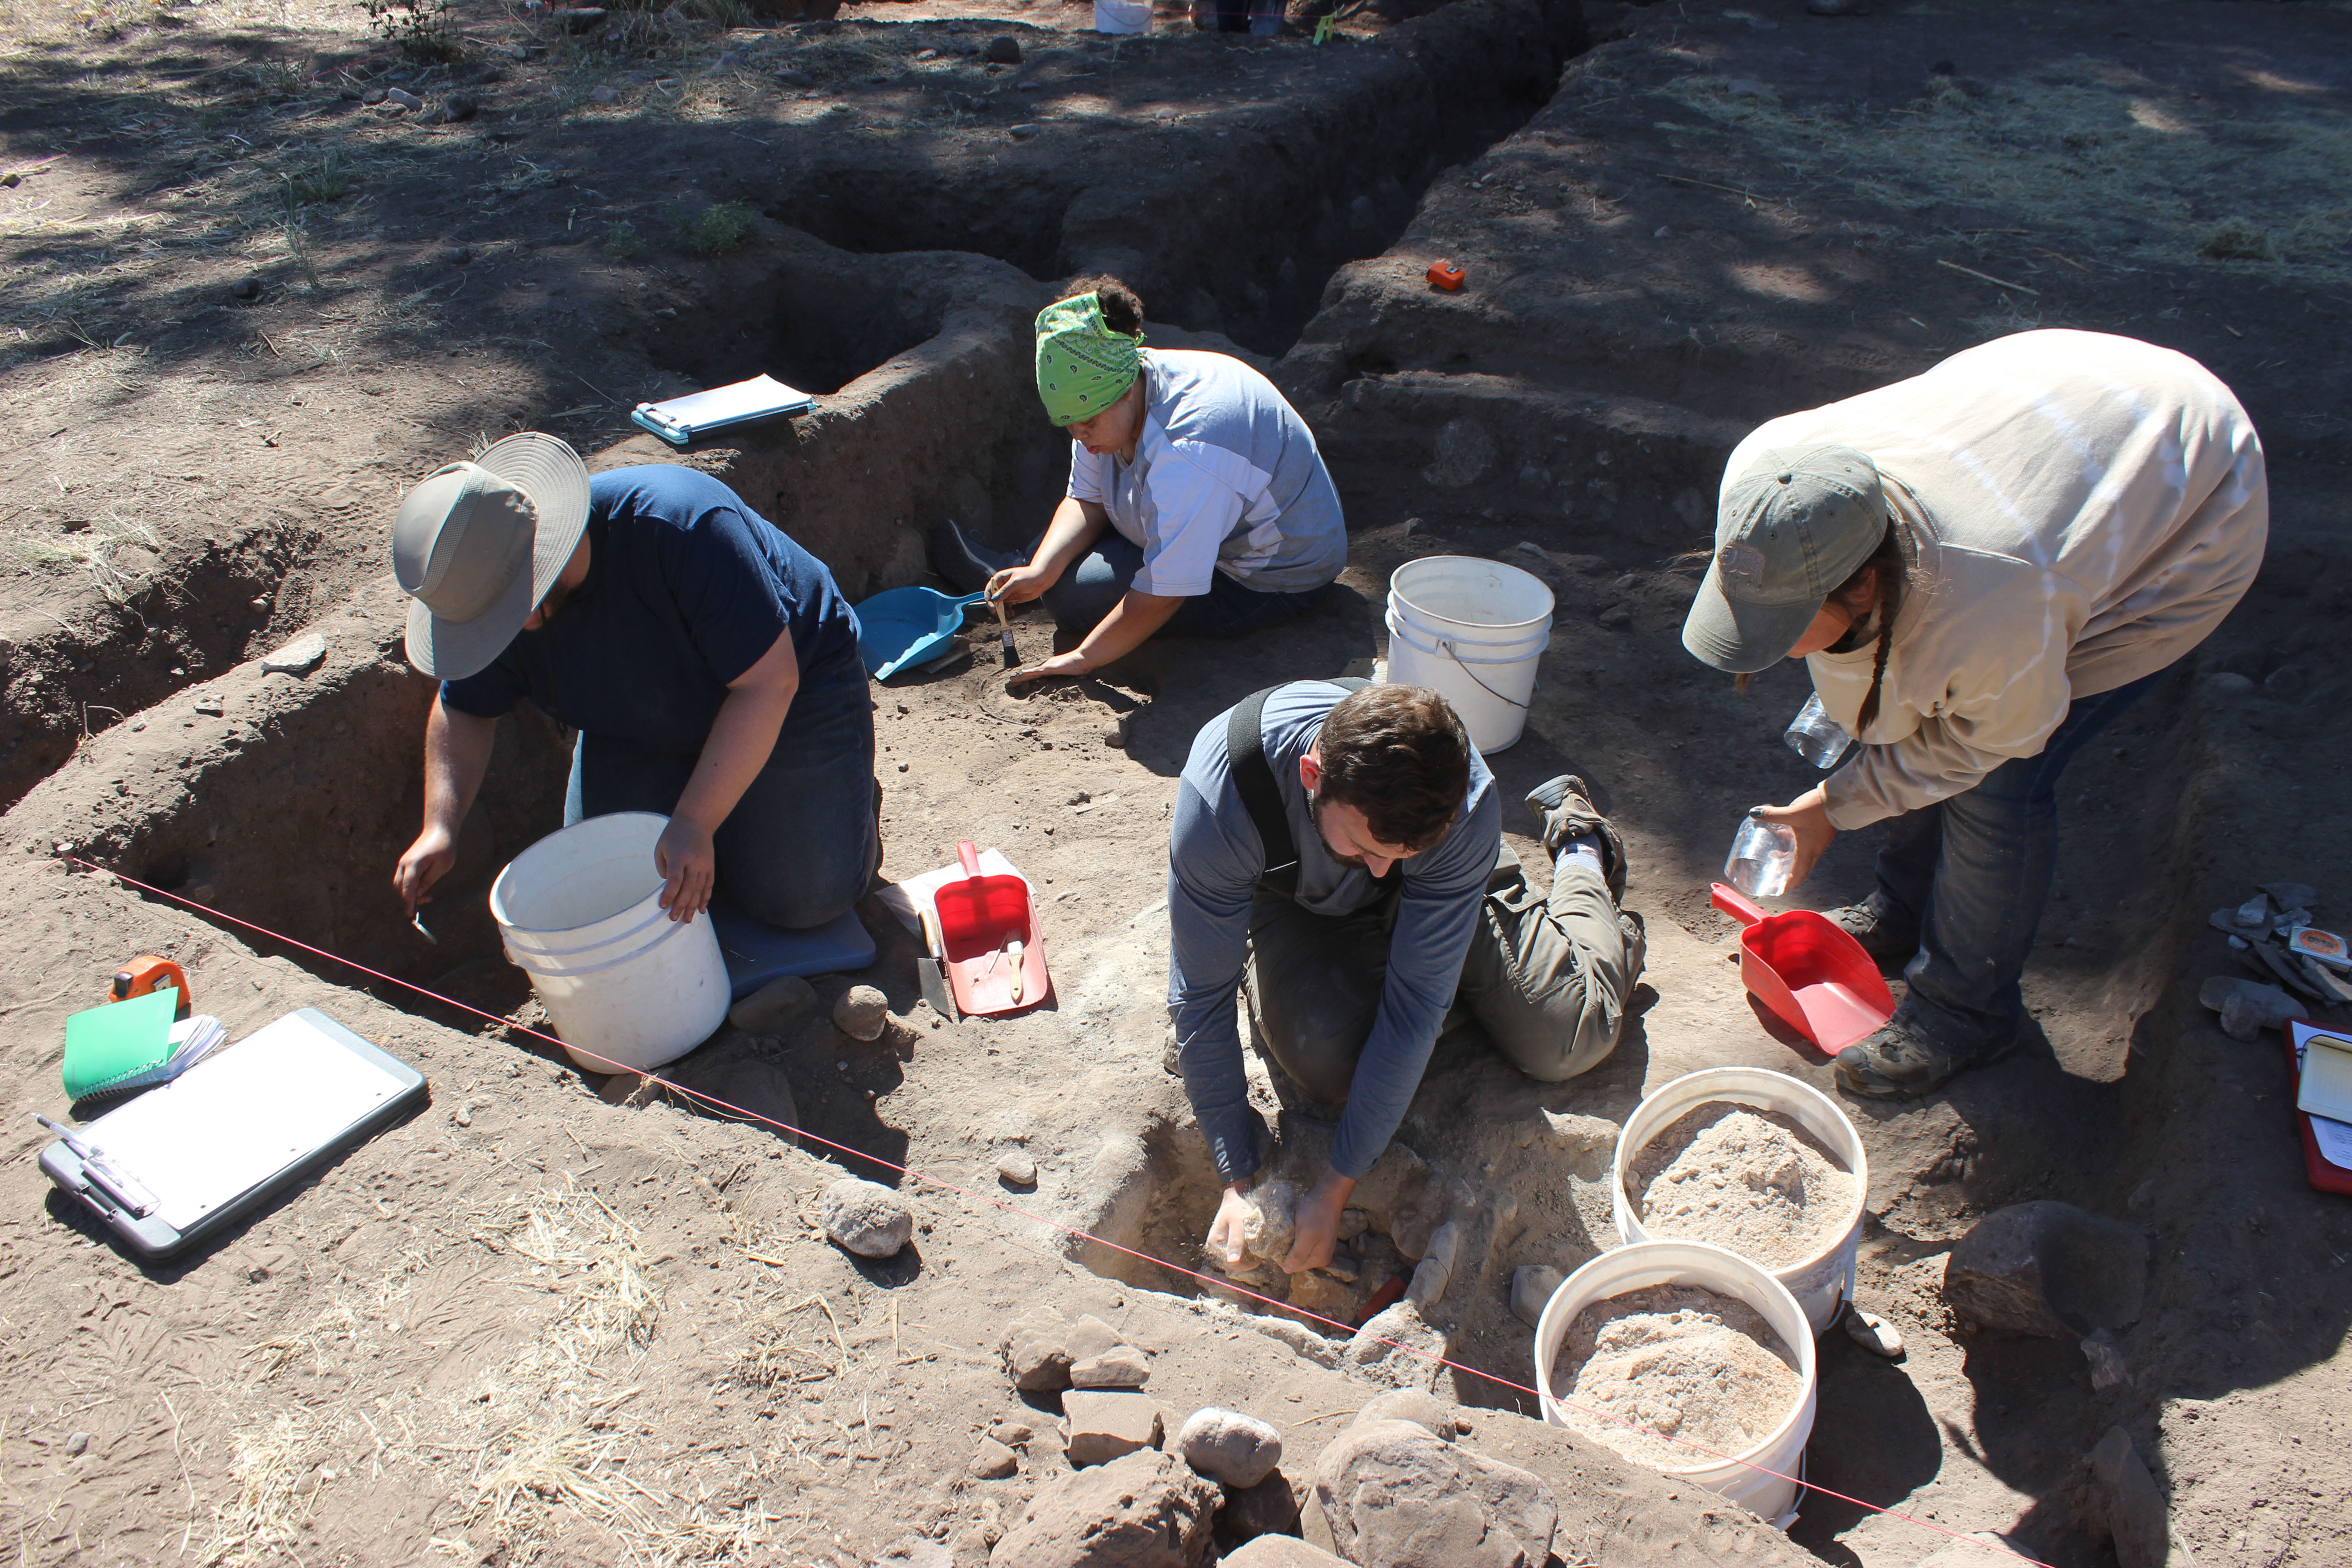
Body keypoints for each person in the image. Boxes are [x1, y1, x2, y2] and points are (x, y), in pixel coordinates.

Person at [1680, 329, 2267, 1099]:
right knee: (1917, 710)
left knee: (2000, 784)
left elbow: (1977, 742)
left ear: (1862, 587)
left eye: (1785, 628)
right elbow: (1891, 686)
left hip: (2190, 493)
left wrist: (1835, 803)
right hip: (2047, 401)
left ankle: (1966, 1010)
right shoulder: (1768, 477)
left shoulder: (1995, 598)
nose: (1771, 652)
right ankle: (1904, 908)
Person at [1168, 680, 1647, 1275]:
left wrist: (1337, 1187)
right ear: (1311, 776)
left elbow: (1415, 1006)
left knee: (1571, 1035)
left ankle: (1581, 846)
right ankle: (1459, 978)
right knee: (1326, 1061)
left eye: (1399, 851)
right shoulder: (1225, 799)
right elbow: (1200, 996)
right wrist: (1235, 1176)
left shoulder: (1459, 801)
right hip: (1302, 901)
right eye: (1364, 844)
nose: (1379, 869)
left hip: (1445, 888)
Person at [389, 434, 877, 933]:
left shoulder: (680, 526)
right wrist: (441, 827)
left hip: (787, 688)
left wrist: (695, 821)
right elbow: (464, 707)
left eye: (509, 614)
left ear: (537, 563)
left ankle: (836, 804)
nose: (504, 631)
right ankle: (733, 808)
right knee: (609, 902)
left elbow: (769, 684)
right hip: (638, 719)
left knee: (803, 900)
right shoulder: (486, 594)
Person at [930, 276, 1346, 686]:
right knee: (1055, 572)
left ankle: (1028, 566)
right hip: (1201, 513)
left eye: (1088, 424)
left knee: (1074, 598)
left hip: (1269, 574)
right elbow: (1088, 499)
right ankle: (1026, 561)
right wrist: (1041, 569)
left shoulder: (1188, 453)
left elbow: (1164, 593)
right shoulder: (1111, 379)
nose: (1080, 437)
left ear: (1126, 391)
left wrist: (1082, 657)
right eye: (1068, 426)